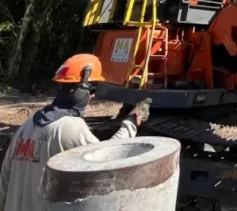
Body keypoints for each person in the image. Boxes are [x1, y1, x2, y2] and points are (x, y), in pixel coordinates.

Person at [0, 54, 151, 211]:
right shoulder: (69, 127)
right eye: (92, 90)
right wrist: (132, 123)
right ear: (81, 91)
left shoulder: (25, 128)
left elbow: (4, 183)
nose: (92, 96)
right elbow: (109, 160)